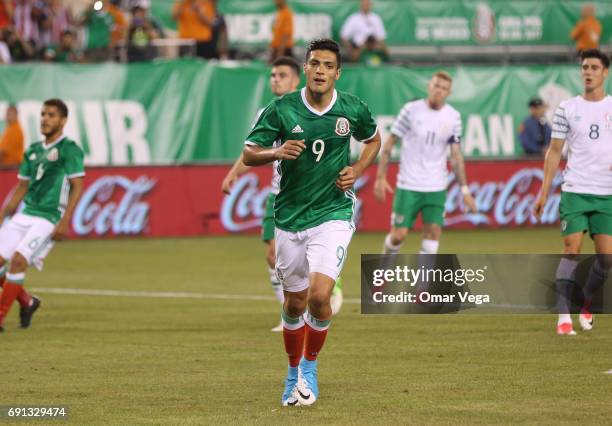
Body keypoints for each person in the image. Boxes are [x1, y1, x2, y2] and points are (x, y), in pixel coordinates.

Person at [242, 39, 380, 406]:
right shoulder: (282, 110)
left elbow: (373, 139)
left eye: (328, 65)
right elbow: (249, 152)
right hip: (289, 217)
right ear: (306, 68)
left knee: (320, 297)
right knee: (294, 304)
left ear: (338, 72)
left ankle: (310, 366)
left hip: (332, 213)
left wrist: (359, 169)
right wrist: (277, 150)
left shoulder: (352, 109)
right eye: (314, 63)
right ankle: (291, 374)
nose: (320, 70)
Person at [222, 57, 344, 332]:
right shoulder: (268, 111)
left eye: (281, 75)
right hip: (279, 195)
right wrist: (233, 173)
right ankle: (289, 313)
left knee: (312, 256)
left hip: (316, 196)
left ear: (295, 80)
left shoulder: (316, 109)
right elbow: (254, 150)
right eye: (272, 75)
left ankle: (330, 287)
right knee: (272, 255)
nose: (275, 79)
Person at [534, 49, 612, 336]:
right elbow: (554, 153)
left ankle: (586, 300)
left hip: (606, 194)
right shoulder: (567, 108)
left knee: (606, 259)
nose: (588, 72)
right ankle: (563, 317)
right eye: (584, 67)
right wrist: (543, 193)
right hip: (575, 190)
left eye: (593, 67)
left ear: (605, 72)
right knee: (571, 250)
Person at [0, 99, 85, 333]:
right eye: (43, 114)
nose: (45, 119)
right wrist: (3, 215)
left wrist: (65, 220)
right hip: (25, 214)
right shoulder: (33, 151)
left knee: (18, 261)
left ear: (63, 121)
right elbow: (21, 187)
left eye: (51, 115)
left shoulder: (70, 149)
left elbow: (77, 185)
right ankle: (27, 302)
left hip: (48, 218)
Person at [375, 71, 477, 258]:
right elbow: (389, 144)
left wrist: (465, 190)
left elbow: (456, 155)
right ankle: (382, 273)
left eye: (444, 88)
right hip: (409, 184)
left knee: (432, 237)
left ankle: (423, 287)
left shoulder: (453, 116)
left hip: (436, 186)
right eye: (437, 86)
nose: (439, 91)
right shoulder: (411, 110)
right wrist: (380, 177)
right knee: (398, 236)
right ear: (429, 86)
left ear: (449, 93)